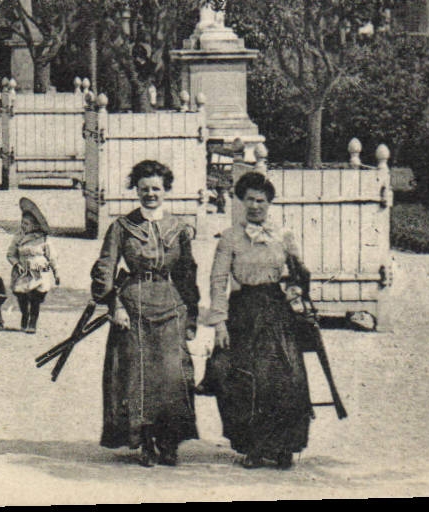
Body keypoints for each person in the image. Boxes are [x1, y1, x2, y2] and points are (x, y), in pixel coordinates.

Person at [90, 159, 200, 467]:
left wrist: (191, 315)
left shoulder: (179, 228)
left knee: (173, 375)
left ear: (166, 190)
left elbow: (187, 273)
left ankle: (170, 441)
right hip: (133, 306)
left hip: (171, 305)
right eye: (144, 189)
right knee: (138, 377)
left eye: (156, 188)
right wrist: (114, 305)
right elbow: (105, 268)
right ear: (136, 191)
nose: (150, 194)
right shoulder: (121, 227)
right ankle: (146, 442)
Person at [204, 170, 313, 470]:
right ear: (241, 202)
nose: (255, 206)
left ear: (269, 203)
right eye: (249, 200)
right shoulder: (230, 238)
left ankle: (284, 447)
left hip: (277, 313)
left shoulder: (284, 235)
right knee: (246, 381)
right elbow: (218, 281)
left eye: (261, 201)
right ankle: (254, 446)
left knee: (286, 379)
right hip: (244, 313)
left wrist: (295, 290)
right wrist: (219, 323)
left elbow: (299, 274)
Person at [8, 196, 59, 333]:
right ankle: (25, 314)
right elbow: (10, 254)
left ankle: (32, 323)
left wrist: (56, 272)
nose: (23, 226)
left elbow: (52, 257)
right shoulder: (18, 237)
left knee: (36, 297)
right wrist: (16, 263)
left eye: (26, 224)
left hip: (39, 272)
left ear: (35, 225)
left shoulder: (43, 239)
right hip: (23, 271)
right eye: (22, 223)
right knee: (22, 296)